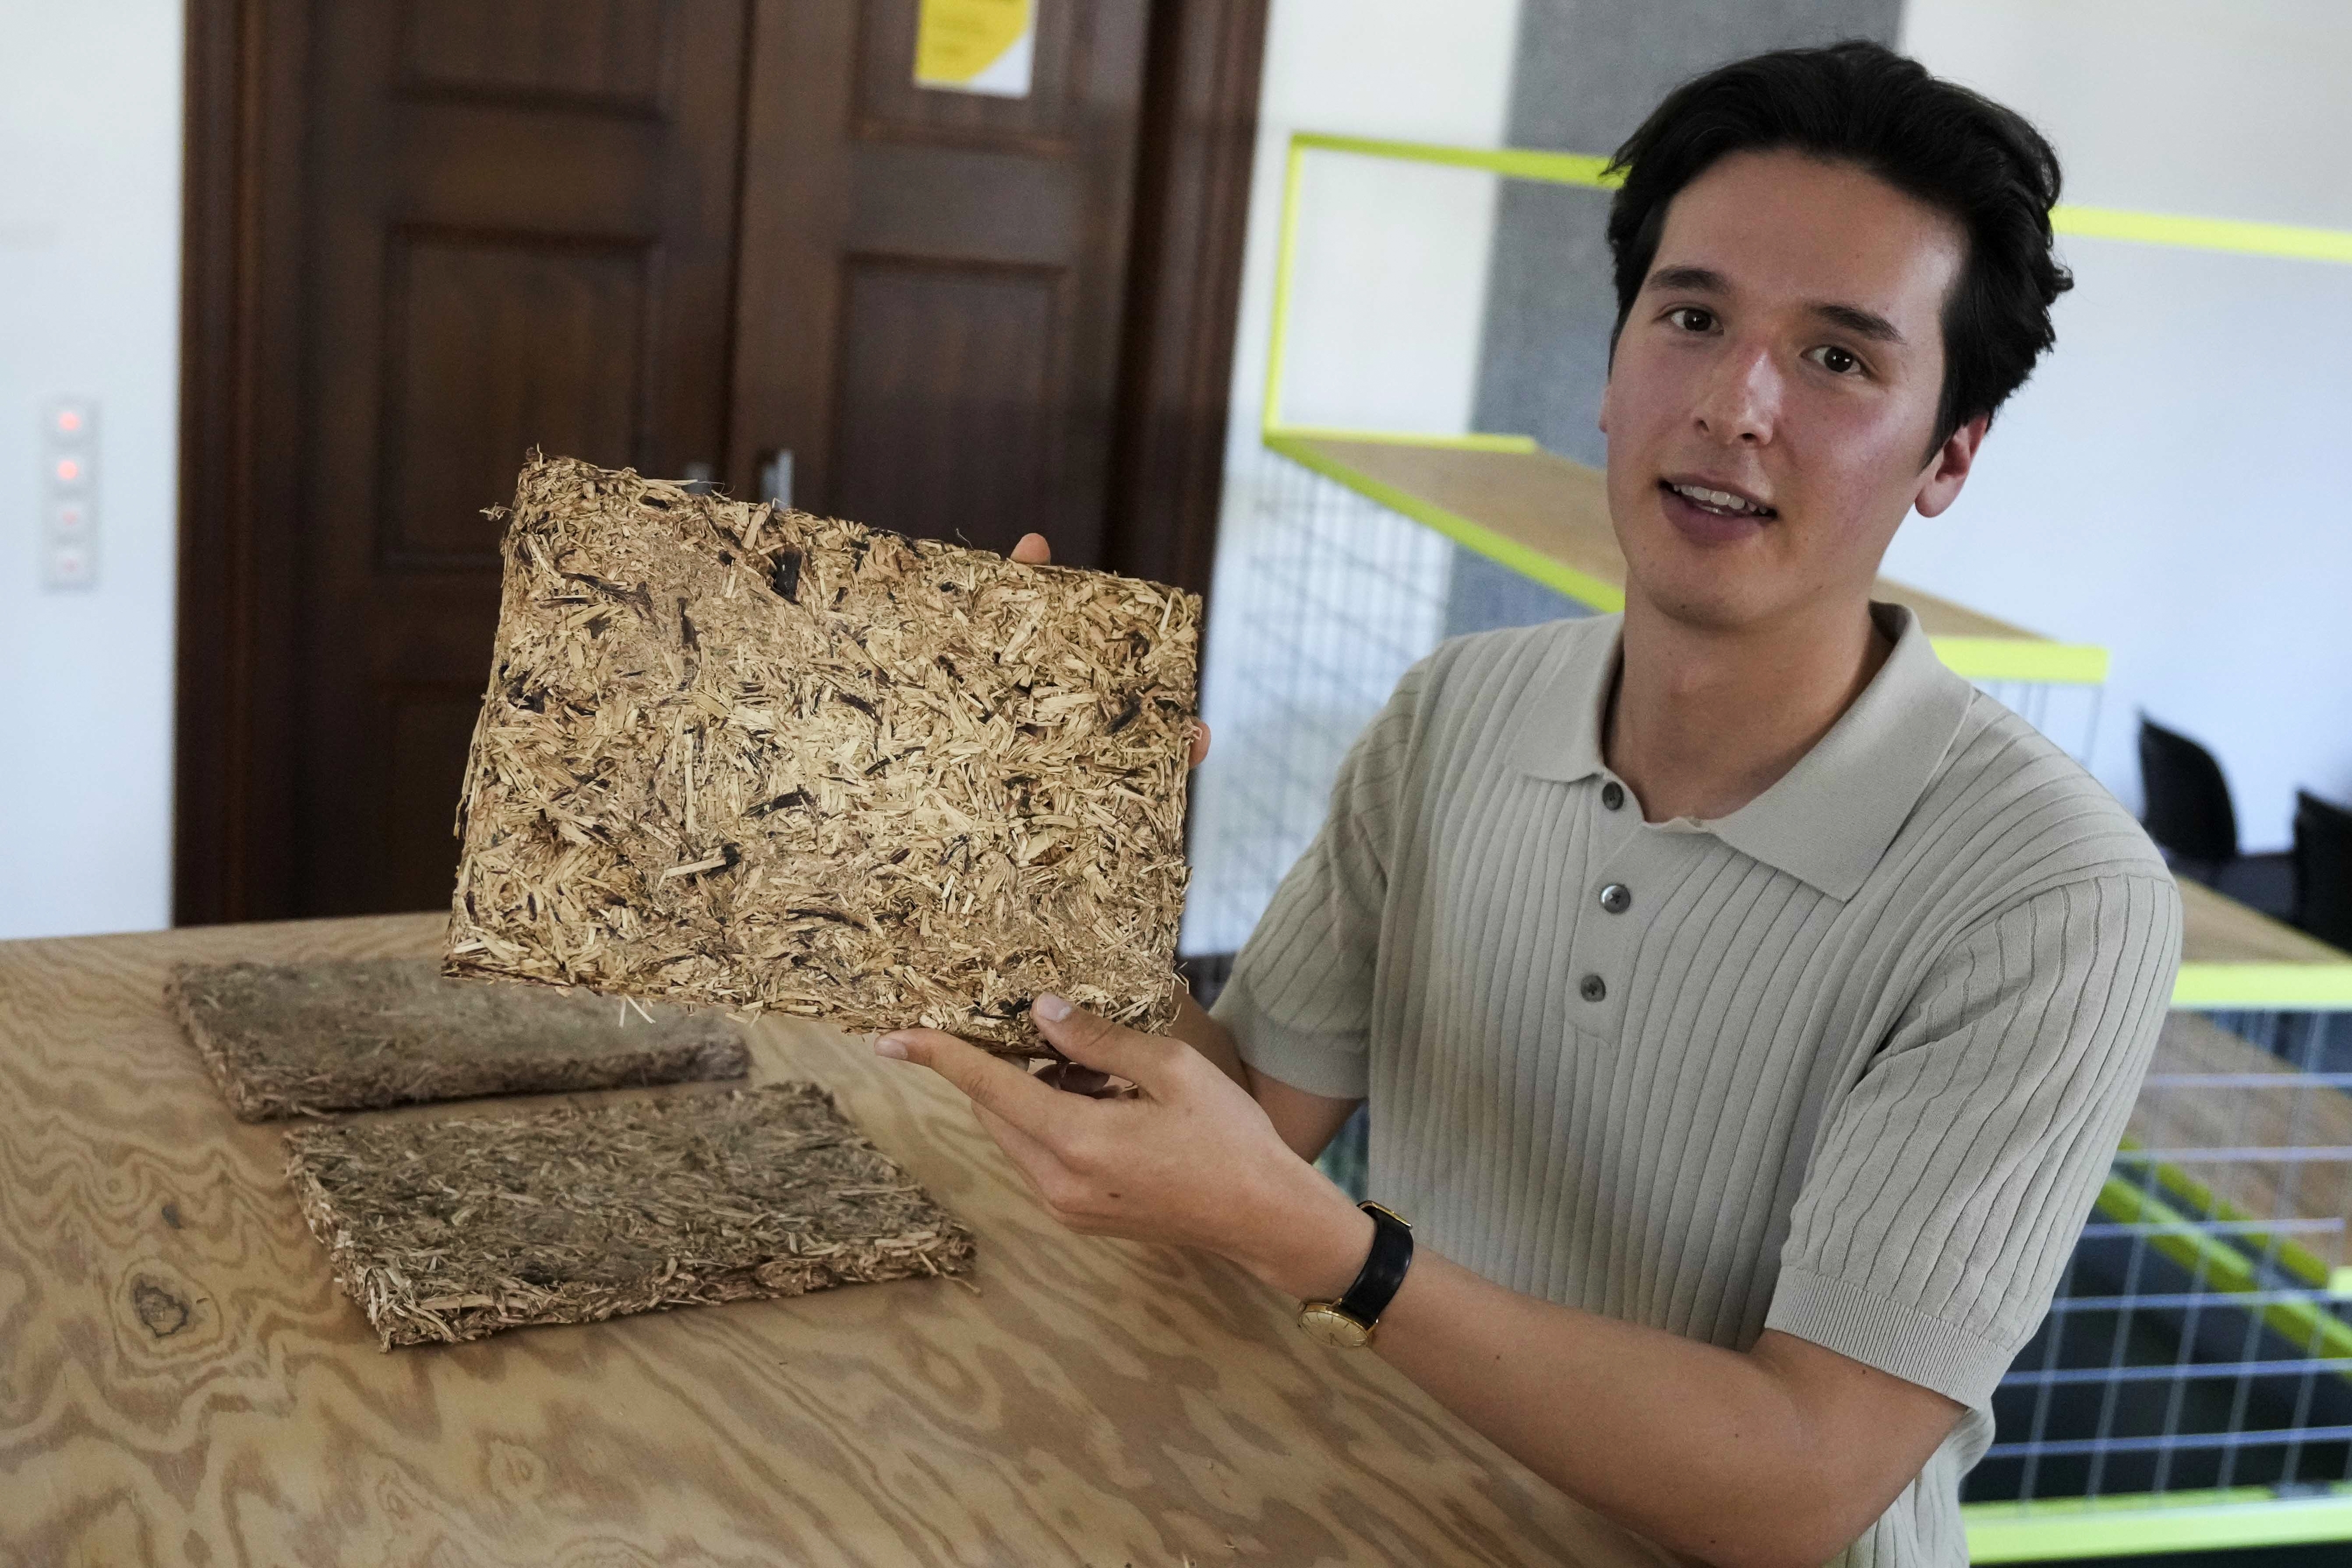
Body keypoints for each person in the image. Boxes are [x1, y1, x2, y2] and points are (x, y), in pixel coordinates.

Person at [877, 39, 2179, 1568]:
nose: (1733, 403)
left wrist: (1341, 1261)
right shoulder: (1457, 709)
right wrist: (1028, 850)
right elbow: (1240, 1122)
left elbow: (1802, 1483)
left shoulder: (2054, 896)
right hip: (1405, 1506)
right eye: (1690, 318)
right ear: (1615, 366)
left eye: (1837, 358)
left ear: (1948, 453)